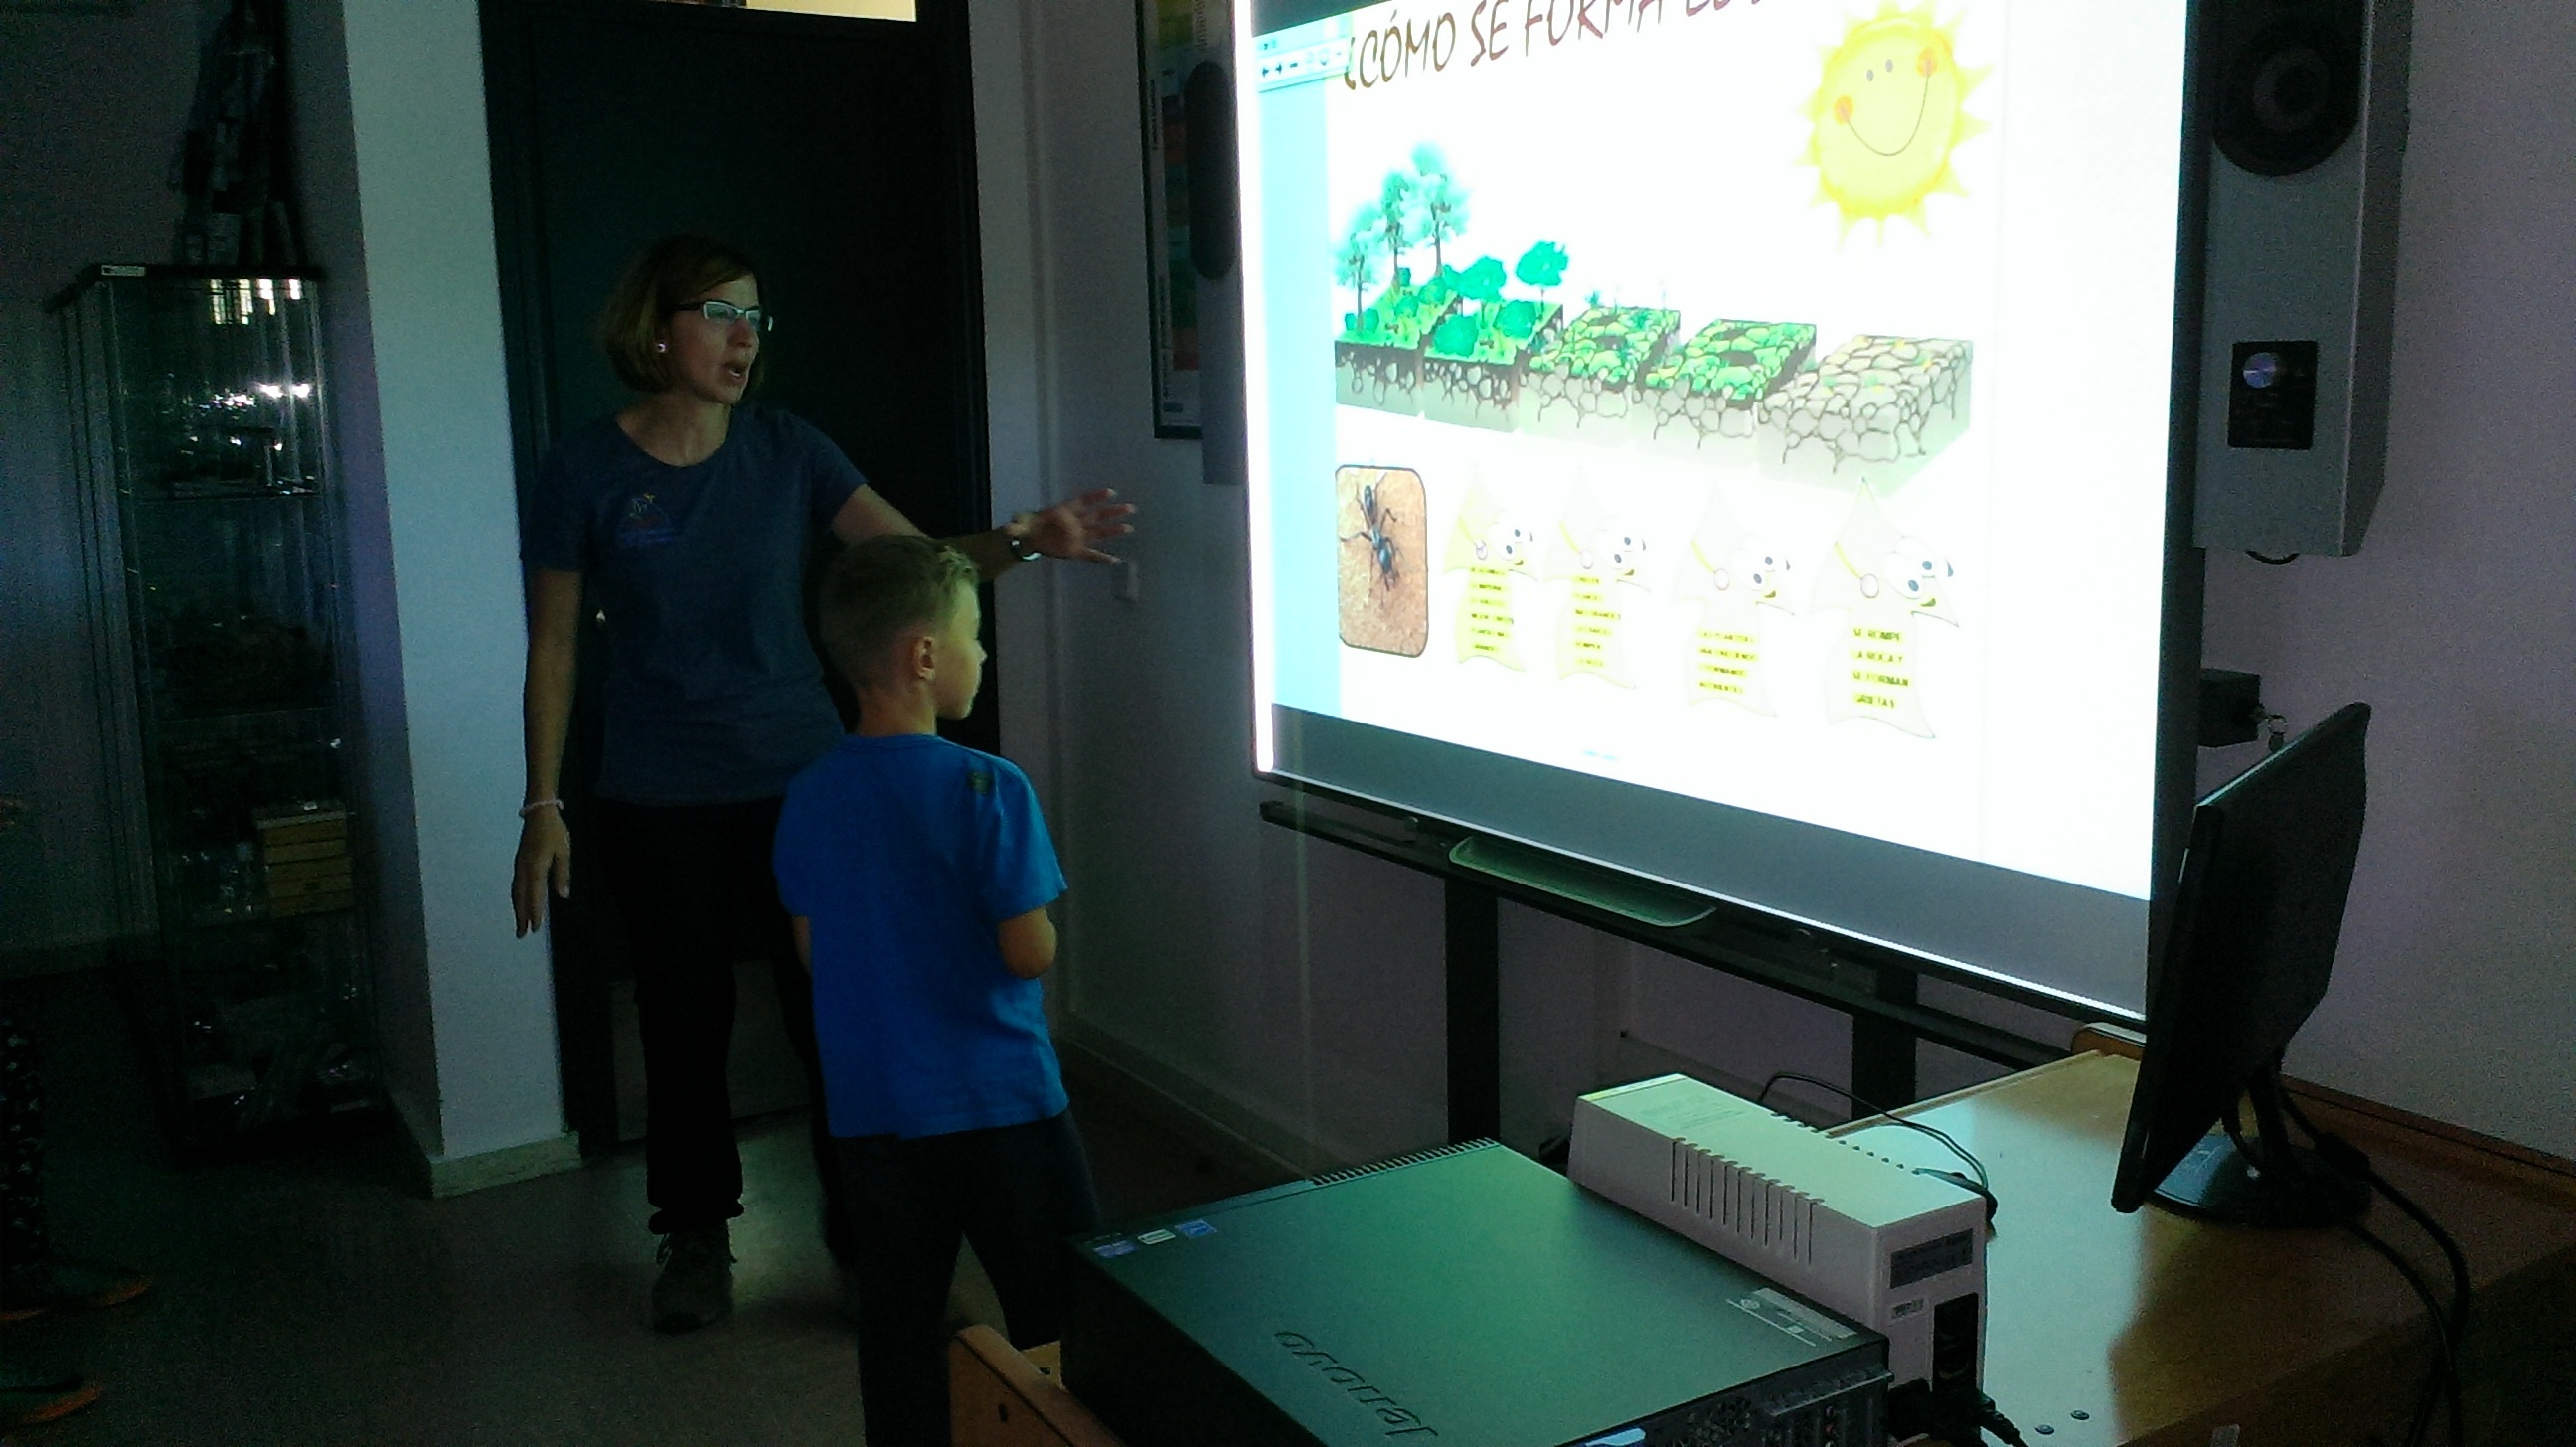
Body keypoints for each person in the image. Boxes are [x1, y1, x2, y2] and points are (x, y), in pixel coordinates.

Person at [510, 236, 1129, 1334]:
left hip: (802, 784)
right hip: (655, 793)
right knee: (682, 1025)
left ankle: (868, 1228)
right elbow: (553, 645)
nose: (744, 339)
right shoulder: (585, 471)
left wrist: (1030, 540)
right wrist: (540, 806)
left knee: (833, 1009)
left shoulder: (789, 449)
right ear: (657, 328)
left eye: (756, 318)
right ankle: (695, 1235)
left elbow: (917, 566)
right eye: (719, 314)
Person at [773, 536, 1096, 1447]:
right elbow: (1028, 953)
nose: (982, 654)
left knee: (900, 1321)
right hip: (1003, 1107)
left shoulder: (809, 796)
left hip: (875, 1113)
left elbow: (812, 951)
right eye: (974, 635)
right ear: (924, 655)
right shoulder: (989, 788)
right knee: (1065, 1309)